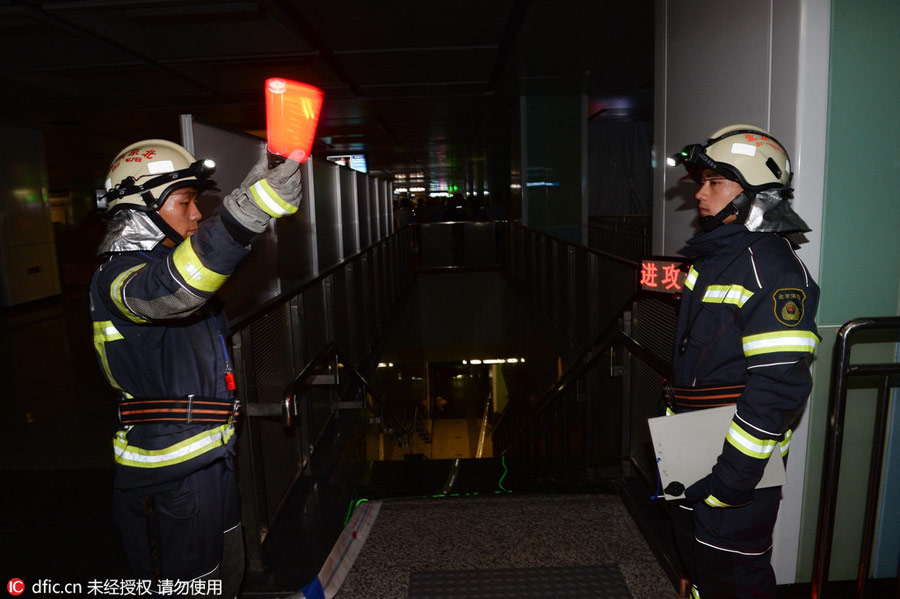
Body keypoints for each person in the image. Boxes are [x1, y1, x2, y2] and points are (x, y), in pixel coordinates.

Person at [90, 139, 303, 598]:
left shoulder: (164, 264)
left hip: (206, 464)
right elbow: (174, 289)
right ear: (138, 210)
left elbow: (192, 273)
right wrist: (247, 214)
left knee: (223, 576)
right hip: (168, 479)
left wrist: (247, 199)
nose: (195, 216)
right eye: (185, 202)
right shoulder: (118, 276)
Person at [665, 125, 820, 598]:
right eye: (701, 182)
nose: (699, 194)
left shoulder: (771, 269)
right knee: (699, 566)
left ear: (755, 193)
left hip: (735, 463)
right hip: (695, 445)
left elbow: (778, 390)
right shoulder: (715, 259)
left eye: (715, 183)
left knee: (734, 576)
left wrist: (732, 481)